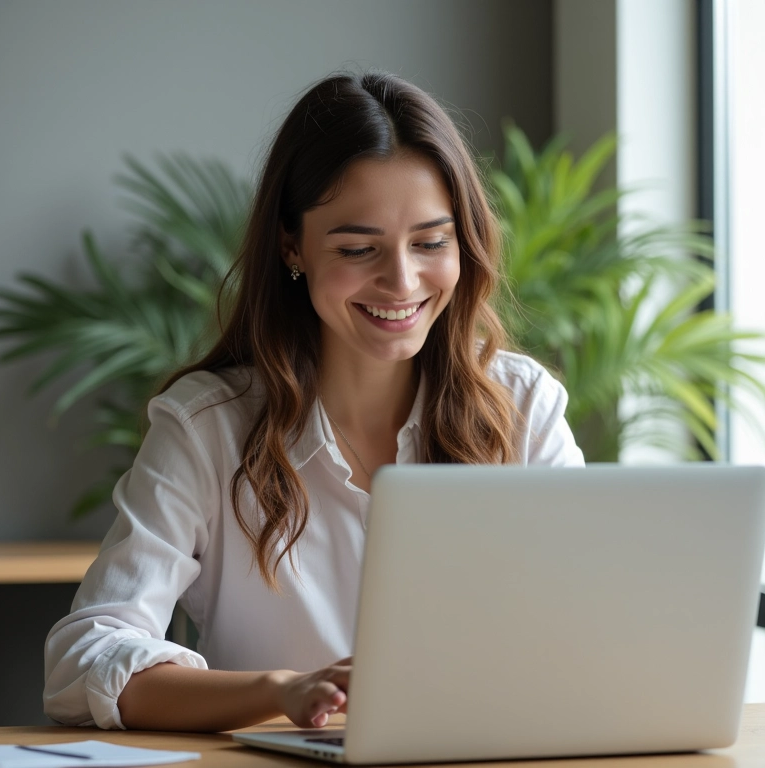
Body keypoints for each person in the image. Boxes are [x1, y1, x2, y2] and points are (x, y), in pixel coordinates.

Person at [43, 70, 585, 733]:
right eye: (359, 248)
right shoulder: (207, 427)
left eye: (431, 242)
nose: (402, 280)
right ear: (292, 245)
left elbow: (585, 632)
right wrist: (281, 690)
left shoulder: (521, 406)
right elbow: (86, 657)